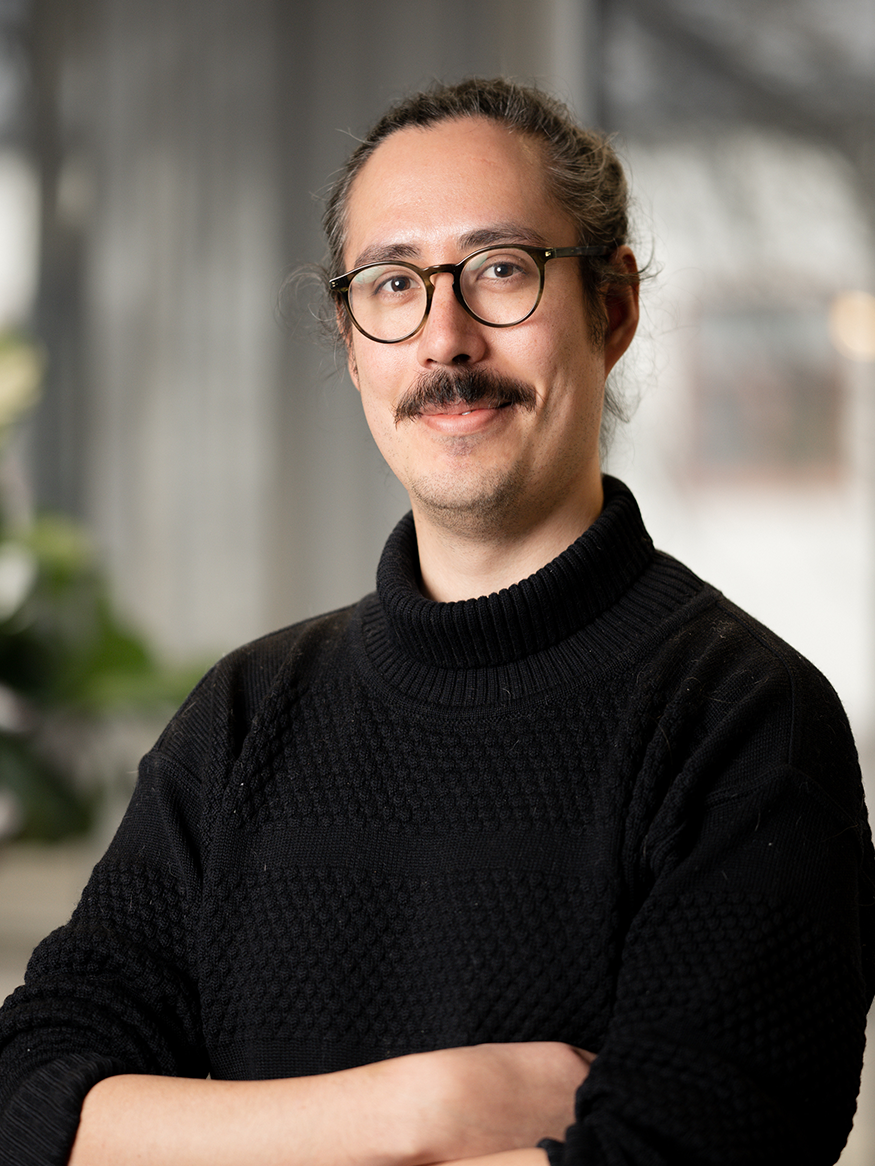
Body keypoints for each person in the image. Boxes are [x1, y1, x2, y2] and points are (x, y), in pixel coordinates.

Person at [1, 77, 873, 1166]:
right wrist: (425, 1111)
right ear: (351, 337)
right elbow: (30, 1094)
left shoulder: (745, 721)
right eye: (392, 283)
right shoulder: (242, 715)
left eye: (500, 271)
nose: (444, 340)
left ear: (611, 307)